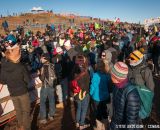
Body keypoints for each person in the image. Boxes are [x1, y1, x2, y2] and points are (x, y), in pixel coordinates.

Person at [0, 43, 31, 130]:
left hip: (12, 92)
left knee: (18, 111)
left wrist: (11, 81)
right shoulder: (21, 67)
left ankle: (20, 126)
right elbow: (28, 80)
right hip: (23, 92)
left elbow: (2, 81)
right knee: (26, 111)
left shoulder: (4, 67)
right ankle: (26, 128)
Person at [110, 62, 141, 130]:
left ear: (117, 77)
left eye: (111, 74)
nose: (110, 75)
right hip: (116, 124)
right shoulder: (117, 86)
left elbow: (131, 122)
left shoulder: (132, 94)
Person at [90, 59, 111, 130]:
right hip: (105, 97)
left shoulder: (95, 75)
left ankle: (99, 127)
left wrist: (90, 93)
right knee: (105, 112)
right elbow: (109, 86)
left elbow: (93, 86)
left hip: (96, 97)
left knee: (98, 113)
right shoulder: (107, 75)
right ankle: (106, 126)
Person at [71, 55, 90, 130]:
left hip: (76, 92)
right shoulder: (85, 71)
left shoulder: (73, 70)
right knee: (84, 109)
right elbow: (86, 83)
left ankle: (77, 122)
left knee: (78, 108)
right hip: (84, 93)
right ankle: (82, 124)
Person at [39, 53, 57, 124]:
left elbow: (42, 78)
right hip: (52, 86)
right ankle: (51, 115)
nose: (41, 59)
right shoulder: (52, 65)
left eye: (42, 58)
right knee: (52, 100)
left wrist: (39, 74)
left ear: (45, 59)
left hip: (45, 86)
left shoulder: (43, 67)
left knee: (42, 102)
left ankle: (43, 118)